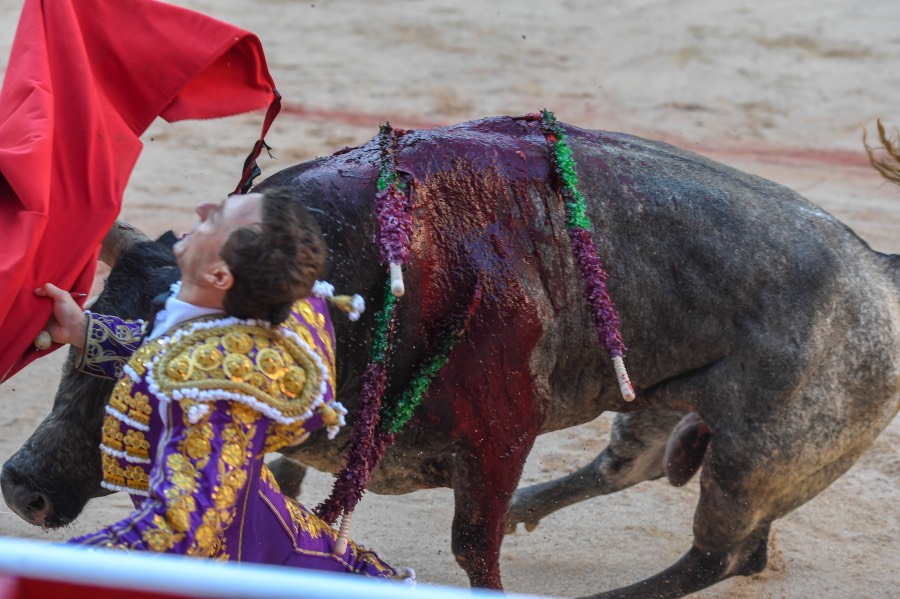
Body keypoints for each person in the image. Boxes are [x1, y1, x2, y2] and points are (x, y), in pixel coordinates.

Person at [35, 187, 410, 580]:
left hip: (246, 580)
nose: (203, 206)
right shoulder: (253, 304)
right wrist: (87, 331)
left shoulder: (214, 401)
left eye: (217, 218)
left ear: (218, 275)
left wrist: (42, 571)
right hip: (257, 553)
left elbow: (176, 532)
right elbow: (190, 347)